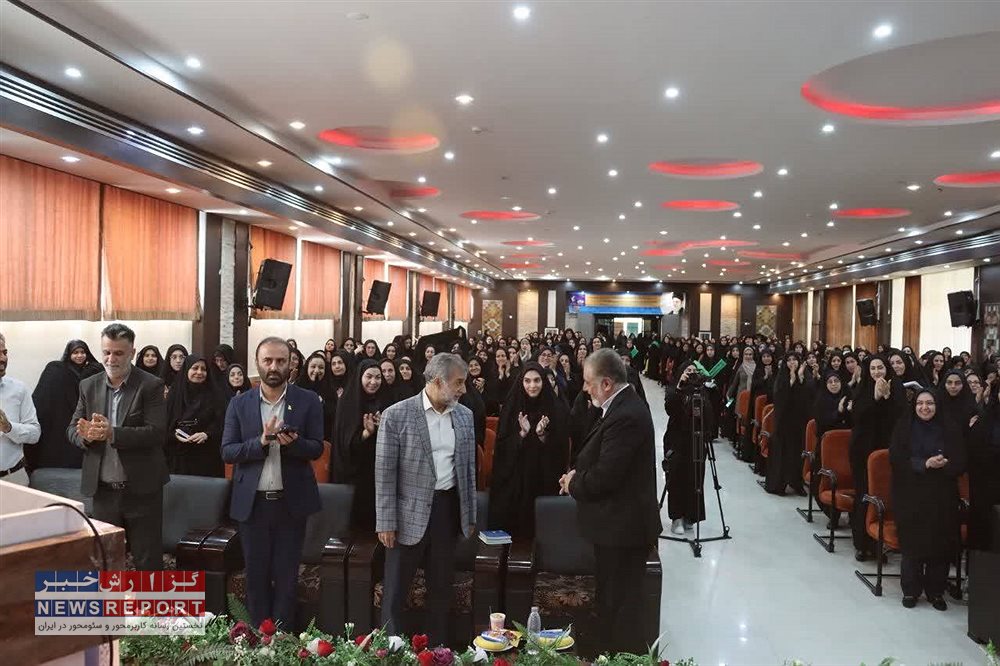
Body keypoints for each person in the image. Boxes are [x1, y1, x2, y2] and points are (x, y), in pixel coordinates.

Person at [559, 349, 661, 654]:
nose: (585, 388)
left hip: (623, 530)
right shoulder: (620, 406)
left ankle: (621, 657)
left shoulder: (627, 415)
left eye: (589, 382)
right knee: (611, 602)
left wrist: (573, 482)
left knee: (621, 609)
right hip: (615, 527)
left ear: (606, 383)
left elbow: (606, 476)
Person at [221, 336, 324, 629]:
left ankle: (282, 641)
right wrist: (261, 442)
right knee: (256, 577)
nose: (274, 367)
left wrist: (294, 444)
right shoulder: (239, 403)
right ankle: (259, 639)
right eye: (268, 360)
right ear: (257, 363)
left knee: (287, 577)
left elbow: (317, 447)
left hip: (291, 504)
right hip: (253, 505)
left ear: (291, 364)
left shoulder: (308, 400)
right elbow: (227, 451)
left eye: (281, 361)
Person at [375, 353, 477, 646]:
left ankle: (438, 650)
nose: (463, 389)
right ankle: (390, 650)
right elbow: (384, 473)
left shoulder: (464, 415)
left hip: (447, 511)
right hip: (407, 513)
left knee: (441, 589)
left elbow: (468, 470)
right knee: (396, 591)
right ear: (438, 381)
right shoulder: (397, 415)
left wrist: (469, 515)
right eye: (458, 383)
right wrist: (385, 521)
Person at [67, 324, 168, 570]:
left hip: (141, 490)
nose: (111, 359)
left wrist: (113, 433)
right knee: (107, 562)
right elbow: (72, 429)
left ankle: (150, 598)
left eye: (119, 353)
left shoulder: (151, 385)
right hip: (103, 492)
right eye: (106, 352)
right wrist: (86, 436)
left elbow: (156, 433)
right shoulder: (88, 385)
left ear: (132, 353)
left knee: (147, 561)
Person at [890, 389, 966, 610]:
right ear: (914, 406)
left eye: (930, 403)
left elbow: (961, 461)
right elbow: (896, 459)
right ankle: (911, 590)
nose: (925, 408)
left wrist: (944, 464)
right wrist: (924, 464)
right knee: (913, 544)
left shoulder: (950, 429)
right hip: (910, 495)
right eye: (920, 403)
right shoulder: (903, 427)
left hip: (942, 495)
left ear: (937, 406)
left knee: (939, 544)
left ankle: (936, 592)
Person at [488, 362, 570, 537]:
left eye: (537, 380)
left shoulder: (555, 408)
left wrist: (542, 435)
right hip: (516, 477)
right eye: (527, 381)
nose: (532, 386)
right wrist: (522, 434)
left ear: (543, 382)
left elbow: (560, 450)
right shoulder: (512, 407)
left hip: (543, 478)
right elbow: (502, 448)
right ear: (521, 382)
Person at [849, 355, 907, 561]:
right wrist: (874, 398)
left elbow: (901, 417)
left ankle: (880, 543)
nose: (876, 372)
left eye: (880, 368)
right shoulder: (862, 388)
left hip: (887, 448)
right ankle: (862, 544)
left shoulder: (896, 387)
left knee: (884, 494)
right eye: (872, 368)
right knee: (864, 493)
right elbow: (857, 416)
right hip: (863, 450)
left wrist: (888, 397)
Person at [28, 339, 102, 472]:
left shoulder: (94, 370)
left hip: (84, 415)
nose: (79, 355)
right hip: (62, 416)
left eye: (82, 352)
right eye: (75, 352)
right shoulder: (58, 370)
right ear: (69, 354)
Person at [331, 359, 387, 530]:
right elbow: (344, 445)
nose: (373, 382)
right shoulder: (348, 402)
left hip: (379, 470)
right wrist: (366, 433)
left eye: (378, 377)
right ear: (359, 377)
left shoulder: (385, 400)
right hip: (354, 473)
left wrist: (383, 427)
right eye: (369, 377)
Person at [663, 361, 710, 534]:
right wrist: (680, 386)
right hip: (676, 439)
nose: (690, 374)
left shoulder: (701, 390)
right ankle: (676, 517)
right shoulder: (674, 389)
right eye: (687, 371)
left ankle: (691, 515)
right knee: (676, 477)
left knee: (695, 478)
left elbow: (708, 414)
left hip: (696, 439)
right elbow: (670, 408)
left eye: (693, 371)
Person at [165, 355, 225, 477]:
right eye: (195, 368)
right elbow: (163, 427)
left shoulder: (216, 396)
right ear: (186, 370)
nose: (199, 372)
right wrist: (175, 435)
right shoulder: (174, 396)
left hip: (207, 460)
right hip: (177, 460)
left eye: (203, 369)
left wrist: (206, 434)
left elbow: (222, 425)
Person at [765, 354, 810, 496]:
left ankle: (796, 483)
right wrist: (791, 381)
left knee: (797, 453)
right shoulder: (782, 377)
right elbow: (779, 398)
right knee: (783, 453)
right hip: (784, 423)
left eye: (794, 360)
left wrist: (800, 379)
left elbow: (809, 396)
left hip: (799, 421)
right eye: (789, 360)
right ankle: (779, 484)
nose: (792, 362)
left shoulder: (805, 375)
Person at [0, 333, 41, 485]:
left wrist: (9, 428)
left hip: (14, 478)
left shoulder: (19, 389)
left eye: (4, 352)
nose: (3, 358)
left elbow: (35, 434)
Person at [297, 351, 338, 441]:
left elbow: (333, 417)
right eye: (313, 366)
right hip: (300, 439)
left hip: (324, 439)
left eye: (321, 368)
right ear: (307, 368)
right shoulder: (297, 388)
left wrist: (322, 404)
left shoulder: (330, 390)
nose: (316, 371)